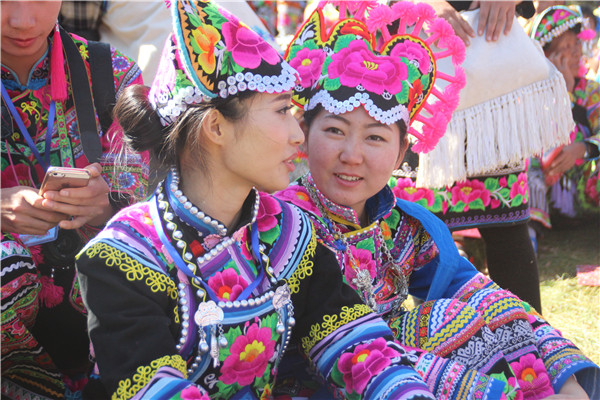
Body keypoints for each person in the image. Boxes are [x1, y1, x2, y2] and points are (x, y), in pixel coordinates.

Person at [74, 1, 451, 398]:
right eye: (282, 111)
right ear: (216, 127)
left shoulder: (288, 234)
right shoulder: (125, 257)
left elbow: (357, 348)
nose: (298, 135)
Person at [275, 2, 599, 399]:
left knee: (469, 312)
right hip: (324, 378)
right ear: (303, 134)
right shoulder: (282, 222)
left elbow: (479, 292)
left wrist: (562, 381)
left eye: (375, 137)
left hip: (391, 364)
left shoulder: (399, 224)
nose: (352, 155)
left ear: (401, 154)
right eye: (335, 131)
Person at [1, 1, 148, 399]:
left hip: (102, 310)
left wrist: (113, 201)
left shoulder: (109, 73)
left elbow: (162, 185)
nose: (21, 21)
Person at [527, 5, 599, 236]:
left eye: (576, 43)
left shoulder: (591, 90)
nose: (577, 51)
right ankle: (531, 231)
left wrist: (582, 148)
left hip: (582, 188)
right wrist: (563, 91)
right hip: (543, 186)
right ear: (547, 57)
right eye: (566, 47)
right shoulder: (531, 94)